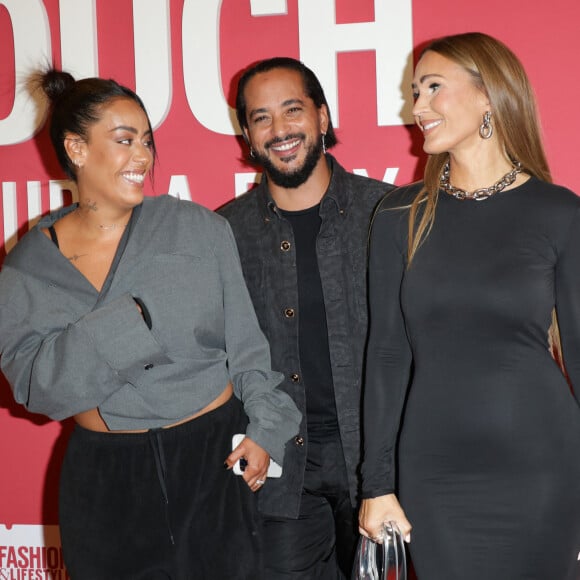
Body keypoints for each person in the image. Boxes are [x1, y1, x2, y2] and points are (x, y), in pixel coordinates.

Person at [0, 69, 301, 579]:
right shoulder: (30, 264)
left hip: (212, 463)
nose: (142, 156)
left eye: (146, 140)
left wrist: (268, 430)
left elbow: (249, 350)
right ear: (76, 147)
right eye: (123, 140)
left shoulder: (198, 228)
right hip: (106, 477)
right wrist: (131, 322)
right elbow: (37, 389)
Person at [359, 32, 580, 579]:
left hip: (543, 460)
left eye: (434, 87)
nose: (417, 108)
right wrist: (376, 484)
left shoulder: (557, 212)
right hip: (435, 471)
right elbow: (386, 354)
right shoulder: (398, 214)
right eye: (414, 93)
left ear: (488, 95)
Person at [218, 57, 393, 579]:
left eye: (292, 110)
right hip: (280, 467)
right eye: (261, 118)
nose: (279, 130)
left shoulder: (389, 214)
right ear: (247, 135)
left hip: (382, 462)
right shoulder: (223, 233)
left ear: (322, 116)